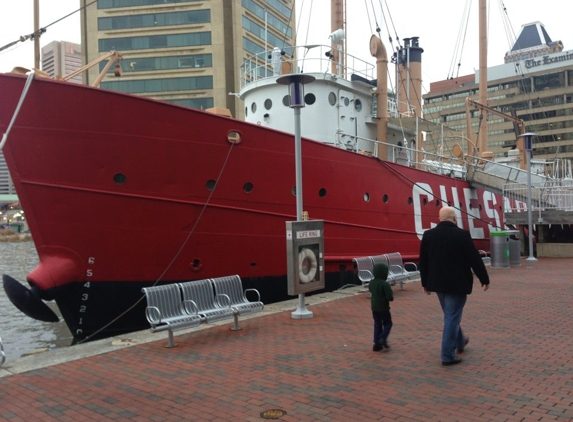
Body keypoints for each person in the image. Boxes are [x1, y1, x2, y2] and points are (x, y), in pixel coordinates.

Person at [419, 206, 490, 366]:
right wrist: (484, 278)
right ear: (454, 219)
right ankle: (447, 356)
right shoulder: (462, 235)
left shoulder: (429, 235)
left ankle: (460, 341)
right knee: (451, 317)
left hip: (437, 284)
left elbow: (423, 261)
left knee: (451, 315)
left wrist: (425, 282)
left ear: (439, 218)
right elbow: (474, 259)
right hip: (457, 284)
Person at [369, 262, 394, 352]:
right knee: (388, 323)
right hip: (384, 308)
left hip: (374, 308)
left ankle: (376, 344)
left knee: (377, 324)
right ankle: (382, 338)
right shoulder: (384, 284)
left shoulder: (371, 283)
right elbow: (390, 298)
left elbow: (371, 290)